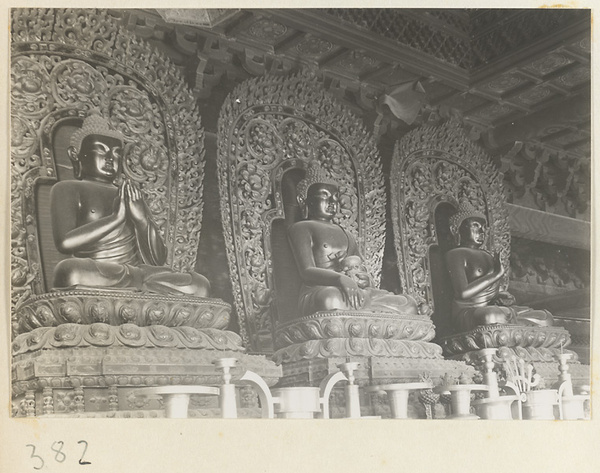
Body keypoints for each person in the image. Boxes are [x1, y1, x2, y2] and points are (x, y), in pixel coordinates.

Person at [50, 114, 210, 297]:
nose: (110, 158)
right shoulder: (67, 189)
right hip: (99, 271)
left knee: (199, 285)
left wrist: (141, 219)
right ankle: (139, 301)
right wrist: (115, 219)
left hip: (138, 275)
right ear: (76, 154)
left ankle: (134, 297)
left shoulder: (130, 194)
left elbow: (158, 260)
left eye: (117, 153)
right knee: (70, 272)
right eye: (101, 150)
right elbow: (65, 242)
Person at [288, 162, 418, 317]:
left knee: (408, 304)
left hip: (356, 292)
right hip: (322, 290)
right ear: (305, 201)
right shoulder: (301, 228)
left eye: (335, 198)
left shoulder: (347, 234)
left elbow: (360, 268)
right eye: (324, 196)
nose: (332, 203)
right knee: (331, 299)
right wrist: (339, 279)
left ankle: (364, 318)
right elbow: (306, 271)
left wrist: (364, 279)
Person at [445, 202, 553, 332]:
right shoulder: (456, 254)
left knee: (545, 317)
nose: (482, 231)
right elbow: (462, 293)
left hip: (496, 310)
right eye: (475, 225)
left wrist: (504, 296)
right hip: (470, 312)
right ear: (456, 229)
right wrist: (495, 275)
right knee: (491, 316)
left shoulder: (487, 255)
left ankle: (509, 329)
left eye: (484, 227)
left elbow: (498, 291)